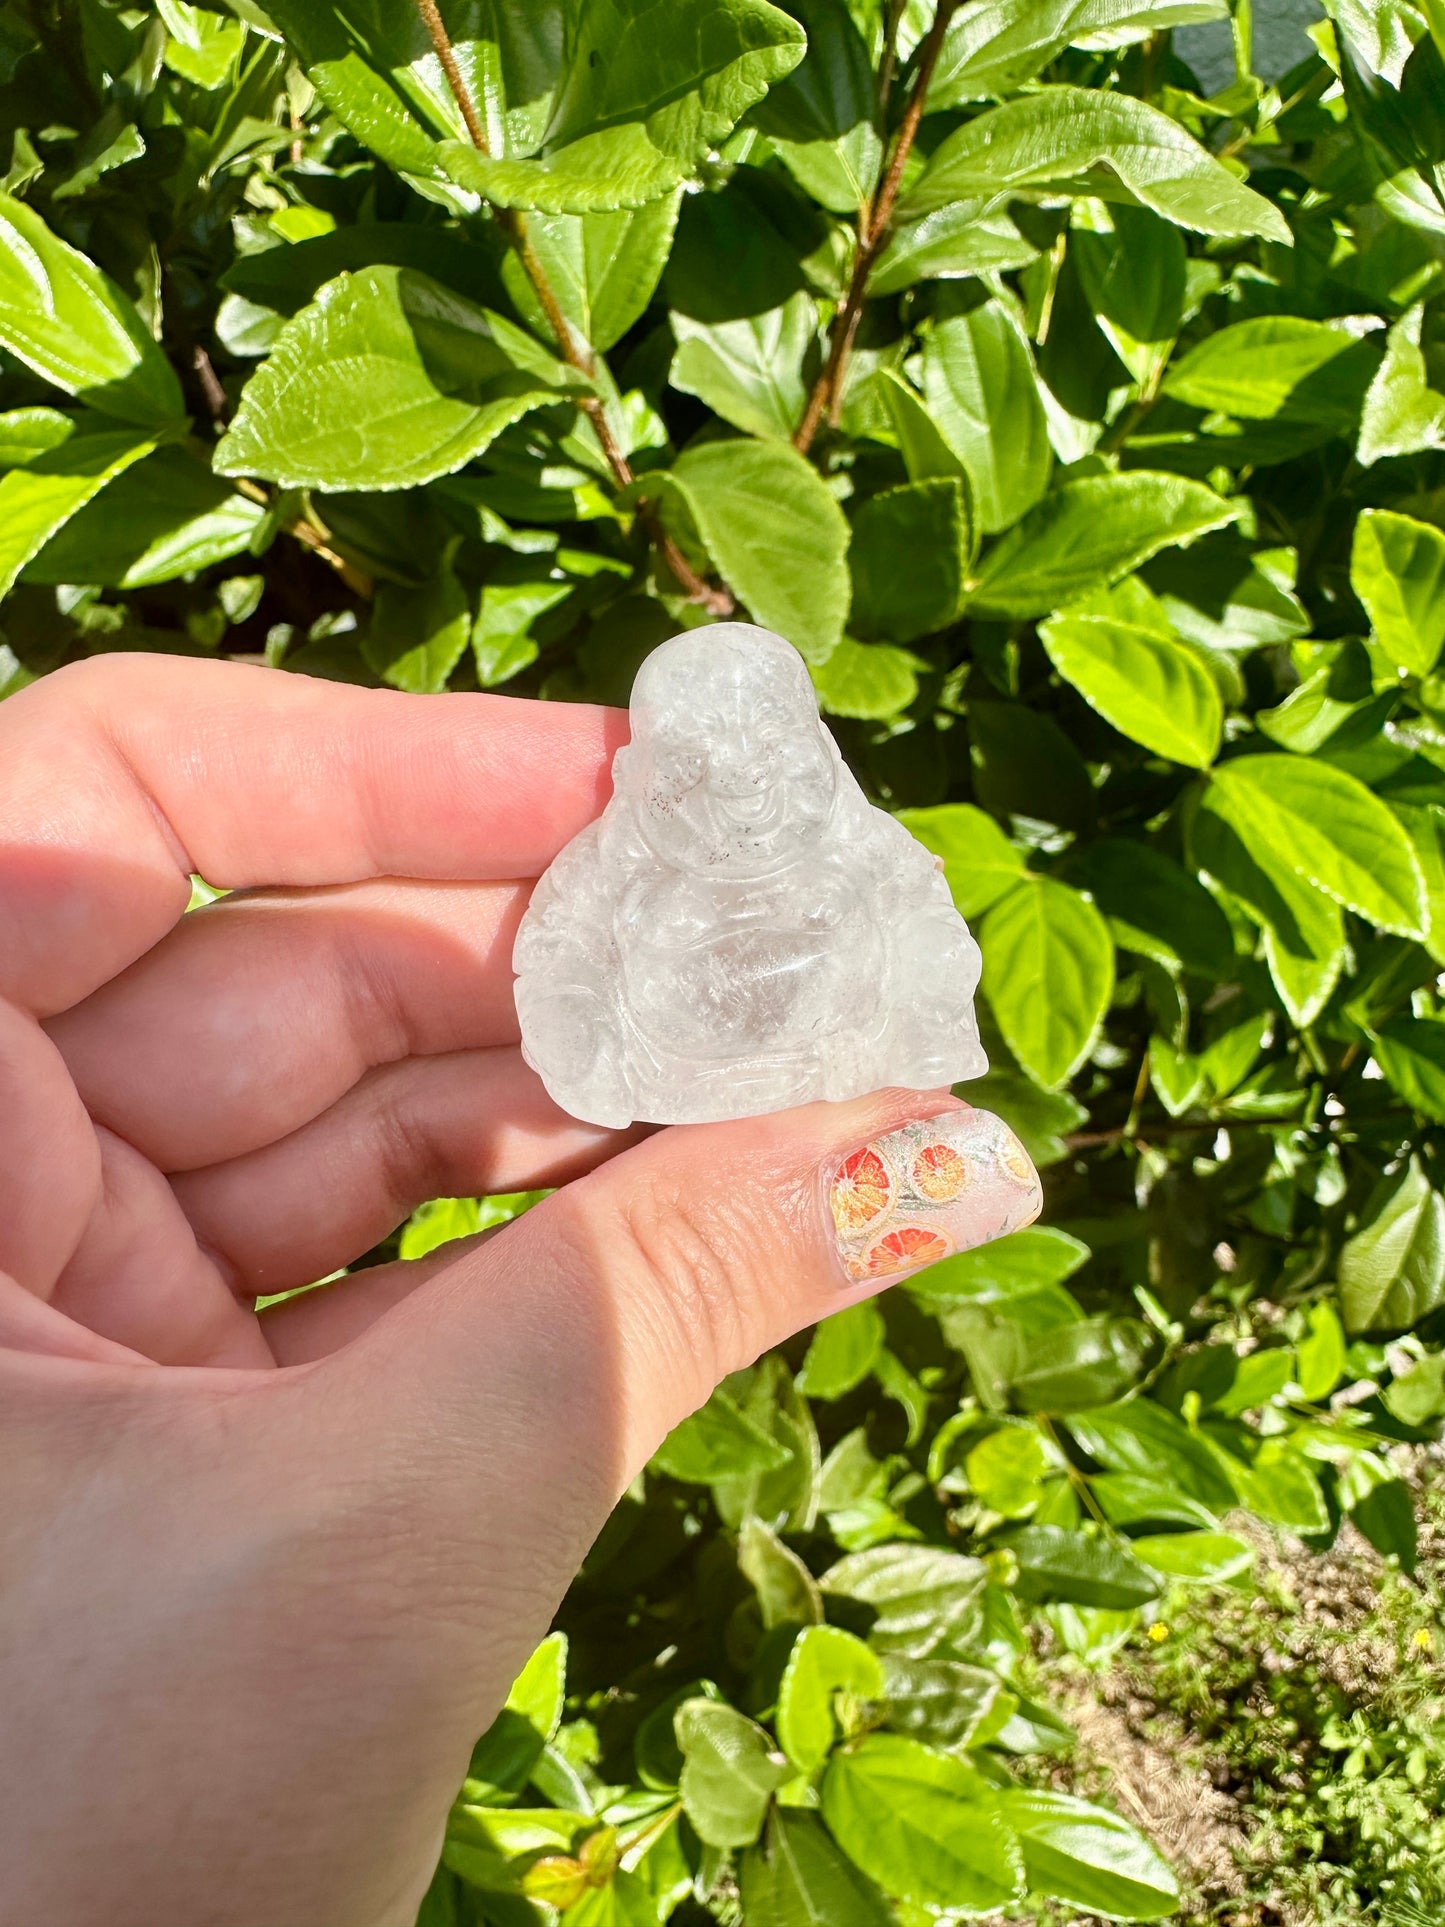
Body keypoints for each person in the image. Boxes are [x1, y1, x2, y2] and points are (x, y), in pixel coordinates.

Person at [0, 654, 1037, 1927]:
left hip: (828, 1043)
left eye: (768, 744)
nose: (744, 780)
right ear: (661, 770)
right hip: (685, 1051)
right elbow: (565, 985)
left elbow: (925, 956)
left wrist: (921, 1028)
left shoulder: (859, 850)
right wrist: (621, 1069)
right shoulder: (622, 865)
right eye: (706, 758)